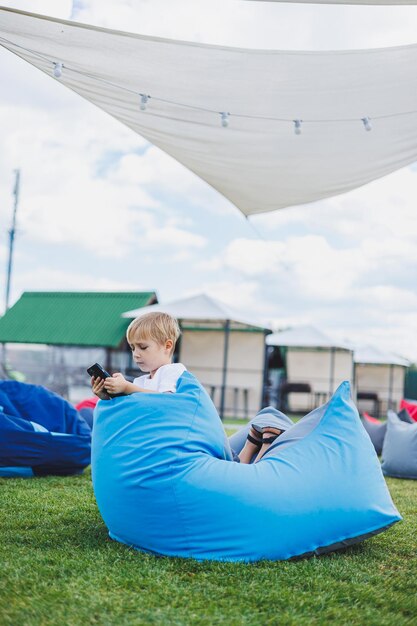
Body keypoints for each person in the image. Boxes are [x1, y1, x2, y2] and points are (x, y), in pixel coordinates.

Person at [91, 312, 186, 400]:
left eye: (143, 347)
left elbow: (167, 400)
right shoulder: (139, 381)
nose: (136, 354)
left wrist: (126, 387)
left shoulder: (172, 370)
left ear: (167, 346)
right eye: (132, 348)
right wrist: (107, 396)